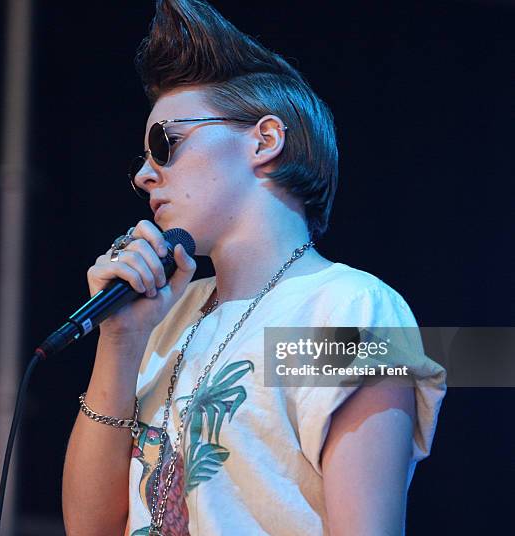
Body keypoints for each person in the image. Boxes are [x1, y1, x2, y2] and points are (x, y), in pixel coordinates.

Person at [62, 1, 446, 535]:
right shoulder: (167, 316)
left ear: (265, 141)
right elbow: (89, 529)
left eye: (165, 144)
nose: (145, 176)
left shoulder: (347, 308)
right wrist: (120, 341)